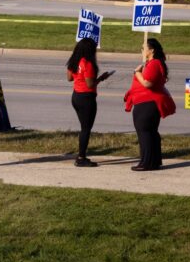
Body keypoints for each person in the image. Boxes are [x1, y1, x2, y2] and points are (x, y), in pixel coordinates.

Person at [124, 38, 176, 171]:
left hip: (147, 103)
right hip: (147, 103)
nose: (141, 50)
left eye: (143, 48)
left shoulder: (154, 64)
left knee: (144, 132)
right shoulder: (153, 63)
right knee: (151, 132)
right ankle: (154, 161)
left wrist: (137, 73)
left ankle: (146, 162)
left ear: (151, 50)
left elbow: (148, 83)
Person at [66, 38, 114, 167]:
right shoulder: (88, 64)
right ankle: (81, 157)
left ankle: (81, 156)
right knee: (86, 129)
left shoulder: (74, 60)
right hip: (86, 98)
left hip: (76, 96)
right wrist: (101, 78)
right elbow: (90, 83)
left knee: (84, 128)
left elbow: (69, 78)